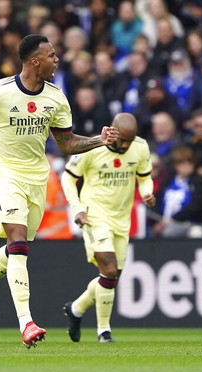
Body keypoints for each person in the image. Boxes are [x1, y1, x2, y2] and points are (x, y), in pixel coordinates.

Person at [0, 34, 119, 348]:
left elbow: (67, 144)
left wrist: (100, 141)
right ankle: (26, 324)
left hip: (37, 177)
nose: (57, 60)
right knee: (17, 244)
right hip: (4, 173)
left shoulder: (56, 97)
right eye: (52, 56)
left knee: (18, 249)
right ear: (34, 61)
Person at [60, 113, 155, 343]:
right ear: (112, 131)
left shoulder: (140, 147)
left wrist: (147, 193)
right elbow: (68, 178)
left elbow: (144, 177)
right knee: (110, 271)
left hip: (122, 220)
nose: (124, 146)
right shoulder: (93, 147)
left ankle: (76, 309)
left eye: (128, 141)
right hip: (95, 216)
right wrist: (78, 209)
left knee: (111, 279)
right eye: (121, 139)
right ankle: (104, 331)